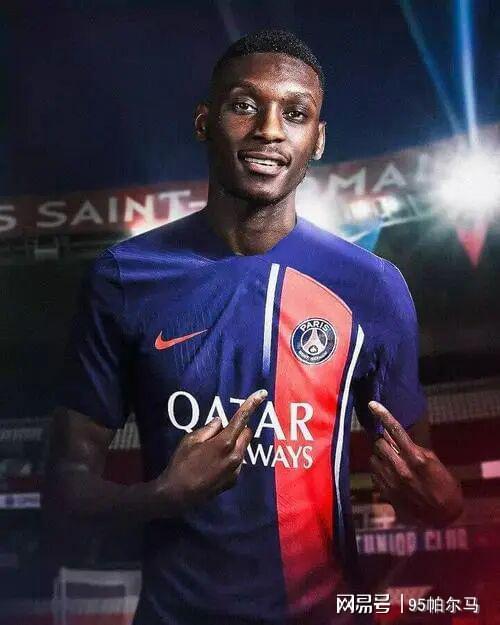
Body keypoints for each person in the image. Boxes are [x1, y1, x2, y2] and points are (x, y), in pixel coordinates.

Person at [45, 29, 463, 625]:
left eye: (295, 114)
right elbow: (65, 490)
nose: (269, 129)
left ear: (317, 140)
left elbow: (428, 485)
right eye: (244, 105)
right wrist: (162, 496)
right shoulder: (124, 277)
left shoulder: (372, 287)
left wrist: (444, 504)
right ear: (203, 121)